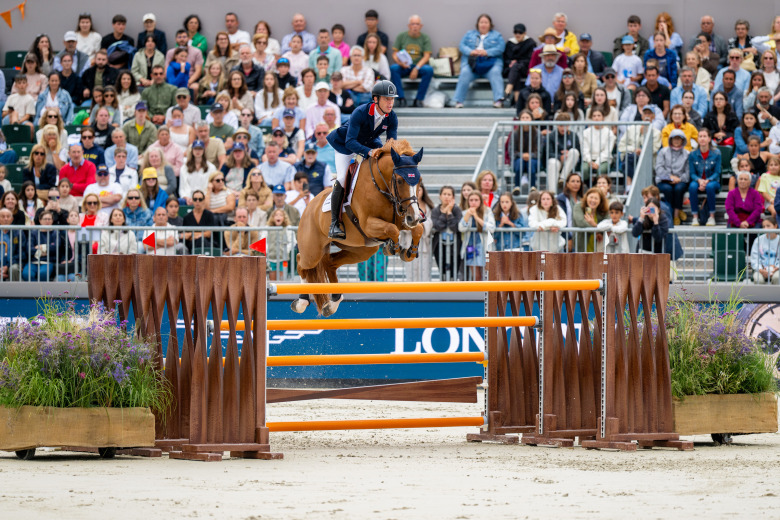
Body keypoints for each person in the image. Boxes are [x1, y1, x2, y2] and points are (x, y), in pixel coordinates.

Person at [325, 80, 399, 238]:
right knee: (342, 178)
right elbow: (350, 142)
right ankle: (334, 224)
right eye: (387, 98)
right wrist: (370, 152)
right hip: (345, 145)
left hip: (368, 142)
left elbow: (391, 144)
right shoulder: (360, 112)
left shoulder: (392, 117)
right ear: (376, 99)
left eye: (392, 99)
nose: (390, 102)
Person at [453, 14, 506, 109]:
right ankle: (459, 101)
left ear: (490, 24)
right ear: (477, 24)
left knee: (496, 73)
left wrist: (487, 52)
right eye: (481, 22)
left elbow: (501, 48)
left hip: (491, 63)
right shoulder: (469, 34)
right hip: (473, 63)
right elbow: (462, 46)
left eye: (486, 22)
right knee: (464, 73)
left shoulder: (497, 35)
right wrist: (471, 51)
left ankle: (498, 100)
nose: (483, 24)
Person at [390, 15, 434, 108]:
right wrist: (399, 62)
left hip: (419, 66)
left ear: (421, 26)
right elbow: (394, 53)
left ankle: (418, 99)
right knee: (393, 68)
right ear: (409, 26)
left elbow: (426, 56)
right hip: (404, 66)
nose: (415, 26)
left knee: (429, 70)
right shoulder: (401, 36)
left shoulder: (425, 38)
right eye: (413, 24)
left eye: (417, 24)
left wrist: (417, 68)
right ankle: (401, 99)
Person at [656, 129, 691, 225]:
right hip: (664, 180)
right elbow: (659, 169)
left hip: (680, 180)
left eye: (679, 139)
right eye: (674, 138)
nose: (676, 141)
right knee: (667, 189)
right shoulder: (663, 152)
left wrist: (679, 179)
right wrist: (670, 177)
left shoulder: (687, 154)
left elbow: (688, 172)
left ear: (682, 140)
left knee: (679, 189)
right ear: (670, 140)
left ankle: (675, 215)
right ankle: (671, 213)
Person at [22, 211, 69, 281]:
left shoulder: (55, 233)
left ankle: (42, 291)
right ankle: (34, 291)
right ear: (40, 220)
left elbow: (55, 248)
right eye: (45, 219)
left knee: (43, 273)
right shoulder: (33, 233)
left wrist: (40, 247)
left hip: (48, 261)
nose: (47, 221)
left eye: (49, 219)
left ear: (52, 221)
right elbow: (29, 249)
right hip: (33, 261)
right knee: (26, 274)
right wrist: (46, 250)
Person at [688, 128, 721, 226]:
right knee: (692, 187)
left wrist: (707, 181)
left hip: (712, 180)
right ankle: (695, 217)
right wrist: (699, 180)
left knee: (710, 187)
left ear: (709, 139)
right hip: (698, 180)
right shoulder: (692, 154)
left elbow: (717, 172)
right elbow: (692, 173)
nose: (702, 139)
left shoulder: (716, 153)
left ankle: (711, 217)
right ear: (697, 139)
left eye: (704, 136)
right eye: (700, 136)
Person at [459, 191, 494, 281]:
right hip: (471, 247)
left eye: (476, 200)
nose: (473, 202)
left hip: (483, 246)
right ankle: (478, 294)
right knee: (476, 276)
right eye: (471, 200)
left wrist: (476, 217)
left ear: (480, 201)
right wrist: (468, 215)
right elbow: (461, 228)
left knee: (486, 275)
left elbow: (491, 228)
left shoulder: (487, 211)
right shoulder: (465, 213)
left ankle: (486, 294)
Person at [431, 185, 463, 281]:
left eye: (449, 194)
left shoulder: (457, 210)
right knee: (443, 271)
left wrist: (449, 213)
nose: (446, 196)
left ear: (453, 197)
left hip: (455, 246)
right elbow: (438, 226)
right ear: (440, 196)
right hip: (439, 246)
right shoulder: (435, 211)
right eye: (444, 194)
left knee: (454, 271)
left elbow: (455, 227)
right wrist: (444, 213)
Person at [542, 114, 580, 192]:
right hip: (557, 161)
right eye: (561, 125)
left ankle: (563, 178)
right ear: (557, 125)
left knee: (574, 151)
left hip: (569, 162)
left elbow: (578, 153)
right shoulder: (551, 136)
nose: (563, 128)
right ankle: (552, 193)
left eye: (565, 126)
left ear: (569, 125)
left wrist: (568, 153)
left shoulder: (574, 135)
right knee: (553, 163)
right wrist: (560, 157)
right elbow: (548, 153)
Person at [503, 24, 536, 103]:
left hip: (525, 68)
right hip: (511, 69)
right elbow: (506, 58)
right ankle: (517, 101)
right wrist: (510, 62)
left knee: (516, 67)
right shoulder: (510, 43)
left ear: (525, 33)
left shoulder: (530, 43)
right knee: (515, 70)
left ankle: (508, 91)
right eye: (516, 32)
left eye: (520, 32)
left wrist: (517, 62)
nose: (518, 34)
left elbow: (530, 59)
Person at [164, 29, 204, 96]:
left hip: (191, 80)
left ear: (188, 38)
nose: (182, 39)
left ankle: (194, 105)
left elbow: (198, 71)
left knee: (195, 87)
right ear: (175, 39)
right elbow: (166, 71)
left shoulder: (197, 52)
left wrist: (188, 82)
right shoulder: (170, 52)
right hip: (173, 79)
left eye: (184, 37)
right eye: (179, 37)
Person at [581, 108, 616, 180]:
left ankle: (598, 188)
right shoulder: (586, 132)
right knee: (584, 170)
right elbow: (585, 149)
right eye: (594, 116)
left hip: (604, 159)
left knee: (601, 170)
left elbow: (607, 151)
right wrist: (590, 161)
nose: (596, 118)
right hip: (588, 159)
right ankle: (589, 187)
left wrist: (597, 162)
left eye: (599, 115)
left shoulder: (609, 133)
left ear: (603, 117)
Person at [572, 187, 608, 252]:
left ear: (600, 201)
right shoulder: (578, 207)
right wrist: (598, 230)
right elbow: (581, 222)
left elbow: (607, 224)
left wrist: (594, 224)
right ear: (586, 197)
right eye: (591, 197)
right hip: (582, 246)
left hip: (599, 247)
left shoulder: (603, 210)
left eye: (596, 198)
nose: (593, 200)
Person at [266, 208, 294, 280]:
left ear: (284, 218)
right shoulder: (268, 228)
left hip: (283, 259)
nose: (278, 217)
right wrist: (267, 250)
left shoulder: (287, 228)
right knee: (272, 279)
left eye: (281, 215)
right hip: (271, 258)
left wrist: (286, 250)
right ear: (273, 217)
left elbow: (292, 241)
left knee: (282, 279)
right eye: (276, 215)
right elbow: (264, 240)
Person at [750, 216, 780, 284]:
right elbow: (754, 259)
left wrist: (776, 268)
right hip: (761, 269)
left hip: (777, 269)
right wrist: (761, 270)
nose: (765, 228)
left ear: (775, 226)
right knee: (758, 279)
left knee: (777, 277)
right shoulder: (758, 240)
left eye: (768, 226)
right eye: (764, 226)